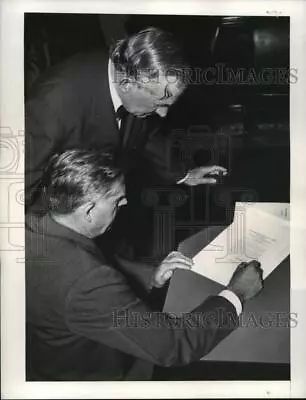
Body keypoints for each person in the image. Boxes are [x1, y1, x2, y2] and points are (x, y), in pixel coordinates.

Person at [26, 149, 263, 381]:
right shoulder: (86, 279)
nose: (126, 203)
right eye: (117, 200)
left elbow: (99, 262)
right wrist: (236, 294)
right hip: (95, 375)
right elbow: (172, 345)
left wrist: (151, 276)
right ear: (88, 211)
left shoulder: (31, 226)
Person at [25, 26, 227, 209]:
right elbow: (19, 186)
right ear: (127, 84)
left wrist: (183, 175)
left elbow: (145, 133)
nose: (163, 114)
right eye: (159, 103)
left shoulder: (133, 85)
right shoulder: (51, 106)